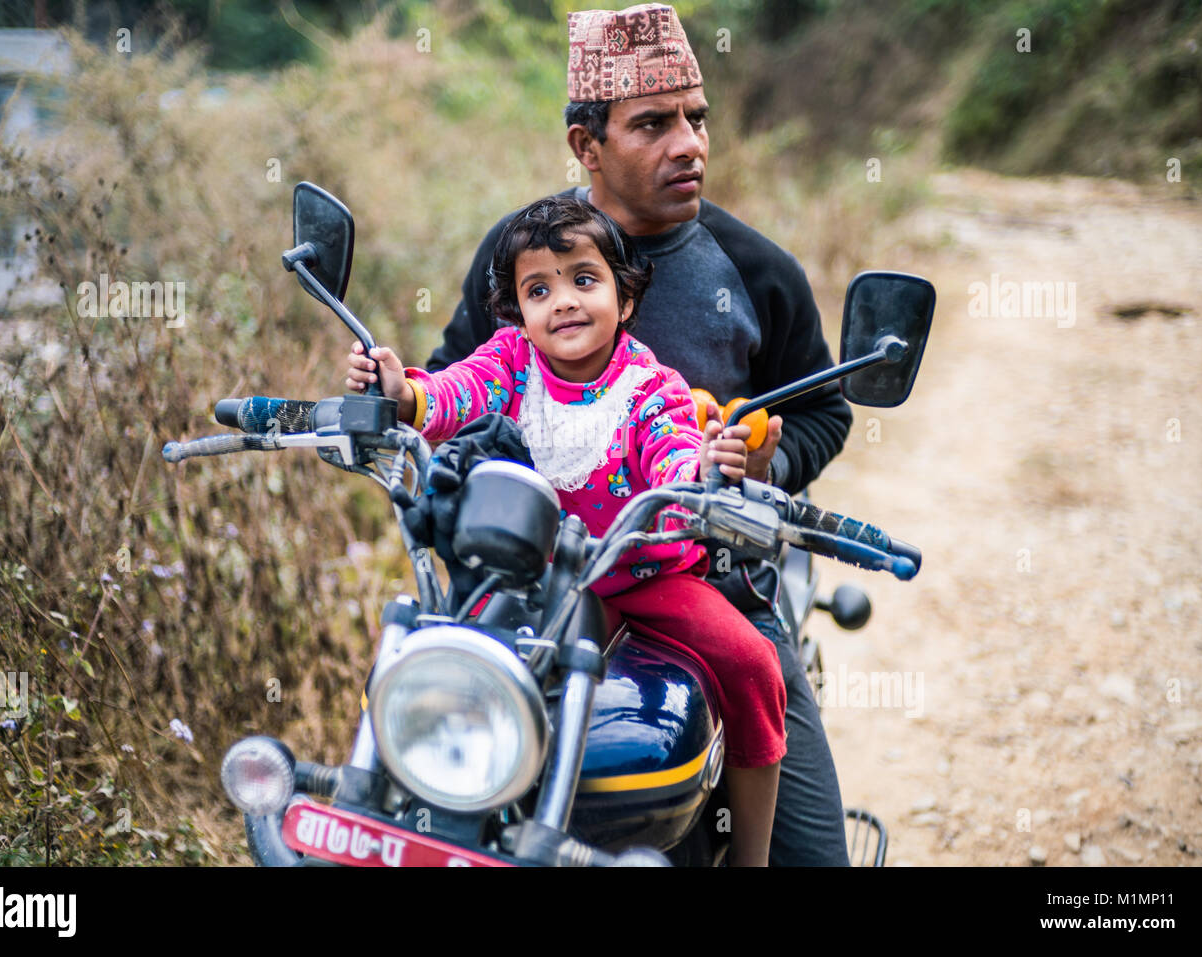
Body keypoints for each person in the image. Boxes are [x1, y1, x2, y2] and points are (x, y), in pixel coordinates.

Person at [350, 3, 854, 866]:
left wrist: (759, 459)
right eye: (654, 124)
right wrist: (398, 397)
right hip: (537, 581)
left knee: (809, 837)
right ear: (587, 146)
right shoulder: (523, 253)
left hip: (709, 576)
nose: (689, 144)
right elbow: (457, 382)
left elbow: (825, 411)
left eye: (697, 119)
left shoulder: (759, 272)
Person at [347, 195, 787, 865]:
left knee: (752, 660)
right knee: (429, 656)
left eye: (584, 279)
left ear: (625, 296)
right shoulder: (509, 363)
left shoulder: (651, 388)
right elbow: (449, 394)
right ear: (518, 310)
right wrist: (398, 393)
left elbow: (674, 453)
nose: (564, 302)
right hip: (538, 580)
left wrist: (700, 469)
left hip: (644, 576)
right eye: (539, 289)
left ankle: (751, 853)